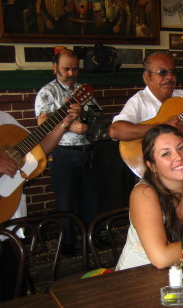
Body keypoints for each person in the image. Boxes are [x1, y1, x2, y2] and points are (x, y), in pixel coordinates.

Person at [0, 106, 81, 300]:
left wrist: (64, 123)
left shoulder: (4, 118)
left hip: (9, 225)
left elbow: (39, 150)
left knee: (13, 292)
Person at [116, 124, 183, 271]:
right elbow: (161, 258)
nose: (178, 157)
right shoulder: (144, 194)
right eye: (166, 154)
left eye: (181, 148)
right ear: (152, 165)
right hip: (139, 276)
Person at [34, 48, 101, 256]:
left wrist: (86, 115)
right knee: (65, 201)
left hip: (87, 151)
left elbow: (99, 116)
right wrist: (71, 125)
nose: (71, 74)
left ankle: (94, 239)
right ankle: (68, 244)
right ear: (55, 68)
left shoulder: (84, 90)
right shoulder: (47, 92)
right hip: (62, 153)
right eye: (66, 69)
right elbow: (43, 122)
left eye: (75, 69)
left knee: (92, 198)